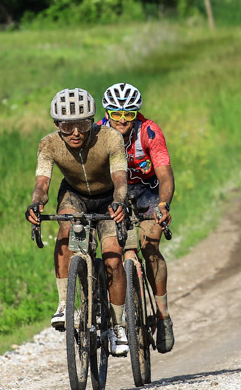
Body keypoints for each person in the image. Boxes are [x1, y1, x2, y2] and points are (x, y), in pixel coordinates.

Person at [26, 88, 131, 356]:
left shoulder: (111, 138)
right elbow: (42, 183)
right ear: (56, 126)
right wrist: (37, 204)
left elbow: (120, 178)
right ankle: (64, 303)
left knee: (113, 259)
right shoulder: (48, 144)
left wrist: (119, 202)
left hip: (109, 197)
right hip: (75, 195)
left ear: (92, 122)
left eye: (83, 124)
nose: (75, 132)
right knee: (65, 228)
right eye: (67, 125)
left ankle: (118, 326)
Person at [99, 82, 177, 353]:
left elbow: (165, 174)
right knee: (114, 251)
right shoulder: (97, 133)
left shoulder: (150, 131)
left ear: (136, 114)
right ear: (106, 112)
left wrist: (164, 204)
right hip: (113, 194)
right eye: (116, 114)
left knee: (150, 246)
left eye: (129, 114)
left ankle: (163, 315)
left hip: (147, 193)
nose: (122, 120)